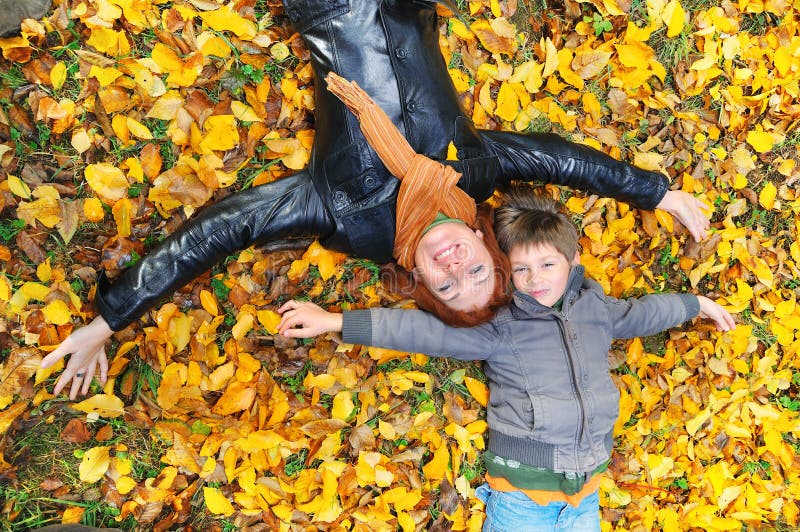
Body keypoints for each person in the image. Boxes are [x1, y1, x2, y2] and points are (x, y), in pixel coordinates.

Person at [40, 0, 710, 398]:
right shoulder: (474, 177)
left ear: (417, 282)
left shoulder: (342, 219)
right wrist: (657, 191)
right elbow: (556, 156)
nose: (455, 265)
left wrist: (108, 321)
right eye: (477, 270)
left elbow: (219, 231)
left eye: (447, 286)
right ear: (488, 245)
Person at [276, 186, 734, 531]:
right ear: (504, 273)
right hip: (521, 497)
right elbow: (421, 332)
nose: (535, 280)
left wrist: (696, 305)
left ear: (573, 263)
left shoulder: (599, 309)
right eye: (521, 270)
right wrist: (335, 321)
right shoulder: (498, 327)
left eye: (548, 266)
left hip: (587, 490)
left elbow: (645, 313)